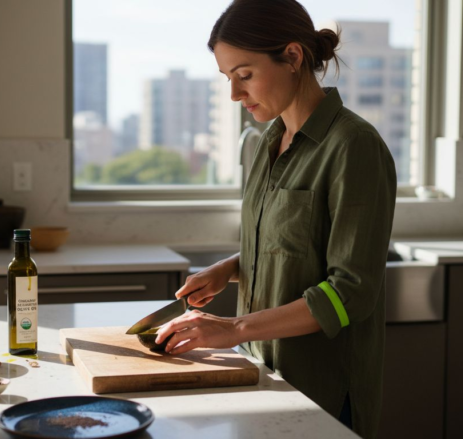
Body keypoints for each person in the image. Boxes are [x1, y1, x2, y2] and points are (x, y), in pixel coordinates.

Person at [153, 1, 397, 437]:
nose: (234, 94)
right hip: (263, 372)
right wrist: (230, 268)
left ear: (293, 57)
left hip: (323, 390)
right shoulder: (269, 142)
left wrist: (231, 328)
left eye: (244, 75)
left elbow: (351, 292)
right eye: (228, 78)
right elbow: (289, 239)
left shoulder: (352, 146)